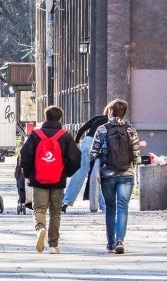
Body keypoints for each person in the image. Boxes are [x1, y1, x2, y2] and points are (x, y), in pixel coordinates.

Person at [20, 105, 81, 254]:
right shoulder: (65, 136)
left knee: (39, 209)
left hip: (39, 179)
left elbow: (25, 156)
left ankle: (41, 228)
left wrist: (30, 174)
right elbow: (75, 158)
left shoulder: (35, 135)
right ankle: (53, 245)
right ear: (60, 118)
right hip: (57, 179)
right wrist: (65, 173)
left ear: (45, 116)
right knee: (55, 212)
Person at [90, 98, 141, 254]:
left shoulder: (102, 129)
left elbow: (93, 153)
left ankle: (110, 243)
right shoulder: (131, 130)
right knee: (123, 207)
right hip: (126, 175)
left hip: (108, 175)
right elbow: (136, 155)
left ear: (110, 111)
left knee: (110, 208)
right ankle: (120, 239)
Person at [62, 115, 108, 213]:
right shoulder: (112, 123)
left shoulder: (96, 118)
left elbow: (81, 130)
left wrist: (76, 142)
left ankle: (66, 201)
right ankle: (104, 206)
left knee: (79, 174)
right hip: (99, 143)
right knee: (98, 176)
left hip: (87, 142)